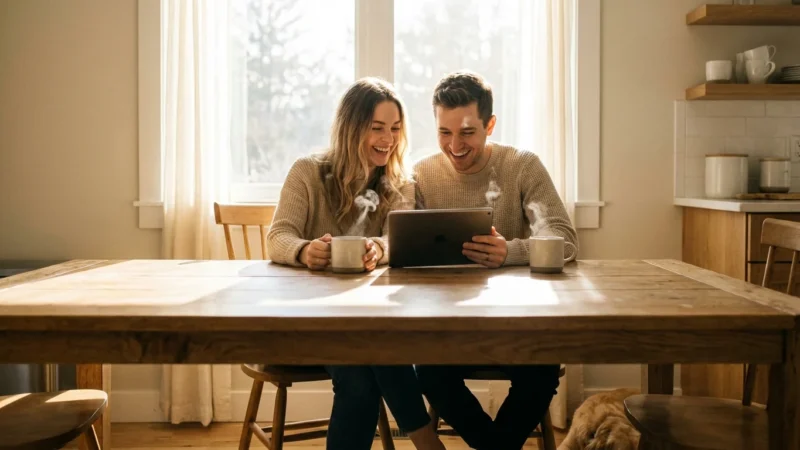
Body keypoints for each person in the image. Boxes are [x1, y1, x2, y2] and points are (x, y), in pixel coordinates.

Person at [266, 77, 445, 450]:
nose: (388, 138)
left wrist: (378, 248)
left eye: (395, 128)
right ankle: (426, 440)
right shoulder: (307, 172)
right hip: (310, 319)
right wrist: (303, 251)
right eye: (377, 127)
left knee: (364, 368)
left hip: (371, 319)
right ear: (351, 128)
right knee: (374, 356)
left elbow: (400, 238)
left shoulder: (398, 182)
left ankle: (426, 441)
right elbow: (278, 236)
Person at [413, 71, 579, 450]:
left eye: (467, 132)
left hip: (516, 323)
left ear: (490, 125)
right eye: (444, 132)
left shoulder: (522, 165)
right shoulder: (420, 174)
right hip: (446, 325)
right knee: (427, 372)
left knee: (542, 370)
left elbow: (565, 241)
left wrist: (512, 252)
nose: (454, 146)